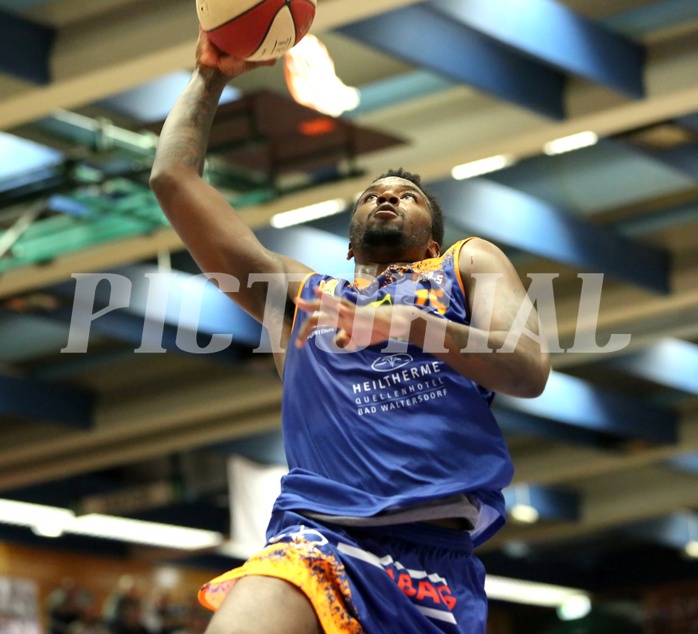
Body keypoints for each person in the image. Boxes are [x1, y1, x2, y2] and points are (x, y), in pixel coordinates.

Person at [149, 29, 550, 634]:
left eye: (406, 196)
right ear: (350, 234)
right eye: (373, 195)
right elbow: (172, 181)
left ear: (432, 239)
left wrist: (407, 324)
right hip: (317, 538)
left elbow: (526, 368)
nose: (388, 198)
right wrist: (210, 77)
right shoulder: (301, 297)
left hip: (434, 559)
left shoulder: (465, 264)